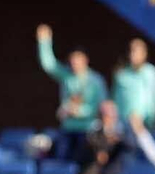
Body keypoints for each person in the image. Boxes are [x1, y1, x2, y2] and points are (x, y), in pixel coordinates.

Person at [36, 24, 108, 156]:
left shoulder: (96, 81)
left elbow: (101, 107)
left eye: (78, 59)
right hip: (68, 129)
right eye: (72, 59)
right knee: (61, 161)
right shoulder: (67, 76)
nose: (75, 62)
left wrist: (78, 111)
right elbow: (49, 65)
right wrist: (44, 42)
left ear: (85, 60)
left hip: (89, 131)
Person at [112, 38, 155, 129]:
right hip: (124, 126)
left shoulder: (151, 72)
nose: (133, 54)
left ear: (144, 54)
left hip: (144, 125)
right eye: (132, 51)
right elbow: (116, 99)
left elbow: (153, 99)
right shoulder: (122, 74)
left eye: (137, 51)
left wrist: (149, 121)